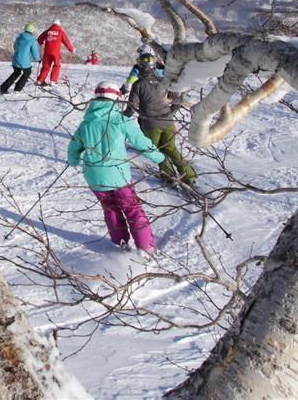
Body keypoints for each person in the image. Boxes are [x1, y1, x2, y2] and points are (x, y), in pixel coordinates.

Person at [68, 82, 165, 254]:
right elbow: (141, 142)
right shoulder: (121, 120)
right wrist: (159, 157)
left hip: (94, 176)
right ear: (116, 100)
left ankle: (121, 243)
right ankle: (146, 248)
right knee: (132, 209)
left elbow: (74, 146)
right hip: (118, 176)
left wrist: (73, 160)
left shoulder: (86, 124)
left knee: (110, 208)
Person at [125, 60, 197, 186]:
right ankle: (189, 176)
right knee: (171, 149)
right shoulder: (164, 81)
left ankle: (168, 176)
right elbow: (177, 101)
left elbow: (131, 108)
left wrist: (119, 119)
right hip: (168, 121)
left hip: (151, 124)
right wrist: (170, 113)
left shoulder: (139, 84)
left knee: (155, 150)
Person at [0, 23, 41, 94]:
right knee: (26, 73)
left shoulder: (19, 38)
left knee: (16, 73)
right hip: (25, 62)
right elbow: (35, 52)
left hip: (15, 60)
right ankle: (17, 89)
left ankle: (3, 88)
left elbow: (15, 47)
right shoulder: (32, 40)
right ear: (32, 31)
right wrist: (38, 59)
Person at [36, 19, 75, 86]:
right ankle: (53, 81)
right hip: (56, 53)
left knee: (46, 66)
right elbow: (66, 42)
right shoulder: (61, 32)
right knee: (56, 66)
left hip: (47, 52)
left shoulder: (47, 31)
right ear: (59, 24)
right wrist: (71, 49)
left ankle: (40, 80)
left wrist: (41, 43)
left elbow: (39, 39)